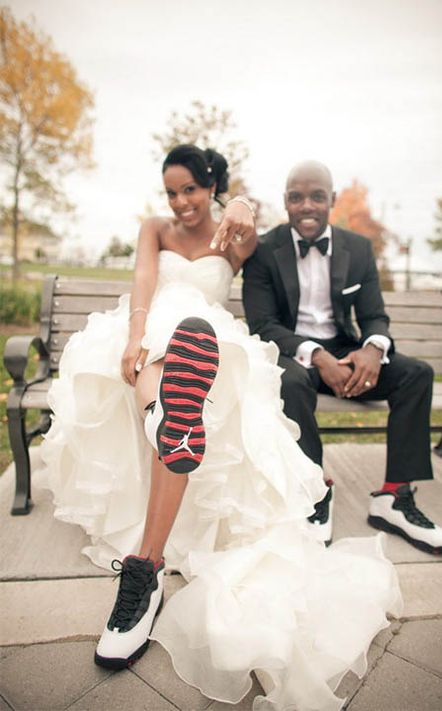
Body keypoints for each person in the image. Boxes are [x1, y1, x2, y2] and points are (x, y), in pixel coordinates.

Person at [39, 146, 402, 711]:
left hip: (208, 334)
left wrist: (240, 202)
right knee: (157, 348)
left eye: (191, 189)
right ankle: (163, 421)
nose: (181, 202)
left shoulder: (239, 238)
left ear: (210, 185)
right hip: (147, 324)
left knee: (195, 348)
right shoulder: (153, 228)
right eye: (172, 192)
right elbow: (142, 279)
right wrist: (134, 332)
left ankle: (149, 545)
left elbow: (257, 224)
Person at [242, 160, 442, 555]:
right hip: (292, 351)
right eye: (296, 197)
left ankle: (394, 498)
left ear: (332, 201)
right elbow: (263, 324)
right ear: (285, 202)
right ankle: (313, 492)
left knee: (417, 375)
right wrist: (316, 355)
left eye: (317, 197)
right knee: (288, 381)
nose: (307, 205)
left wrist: (373, 349)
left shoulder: (357, 249)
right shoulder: (263, 252)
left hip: (344, 351)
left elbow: (374, 315)